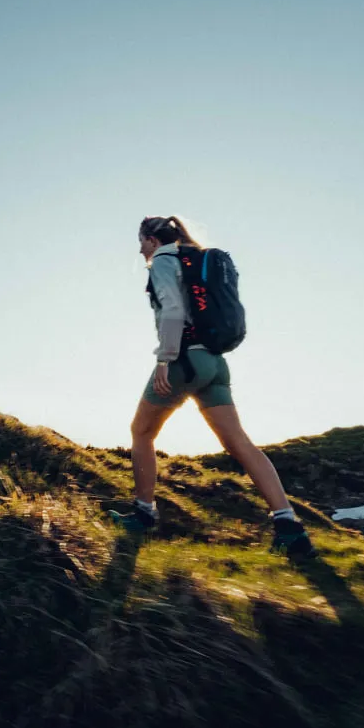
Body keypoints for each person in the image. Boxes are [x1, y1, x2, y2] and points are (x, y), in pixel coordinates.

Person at [112, 215, 315, 559]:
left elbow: (173, 312)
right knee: (240, 444)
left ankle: (143, 514)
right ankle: (290, 528)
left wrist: (165, 359)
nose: (141, 247)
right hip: (215, 364)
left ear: (152, 239)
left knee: (141, 432)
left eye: (142, 239)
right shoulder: (194, 259)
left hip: (184, 362)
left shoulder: (163, 260)